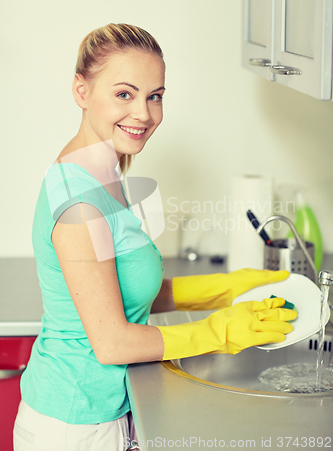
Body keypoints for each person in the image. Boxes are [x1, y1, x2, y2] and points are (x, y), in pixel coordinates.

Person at [13, 23, 297, 451]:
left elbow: (124, 289)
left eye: (155, 96)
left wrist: (227, 288)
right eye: (124, 94)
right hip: (73, 422)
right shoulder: (80, 203)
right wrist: (221, 330)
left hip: (98, 410)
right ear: (81, 91)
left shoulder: (102, 169)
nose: (144, 114)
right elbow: (112, 343)